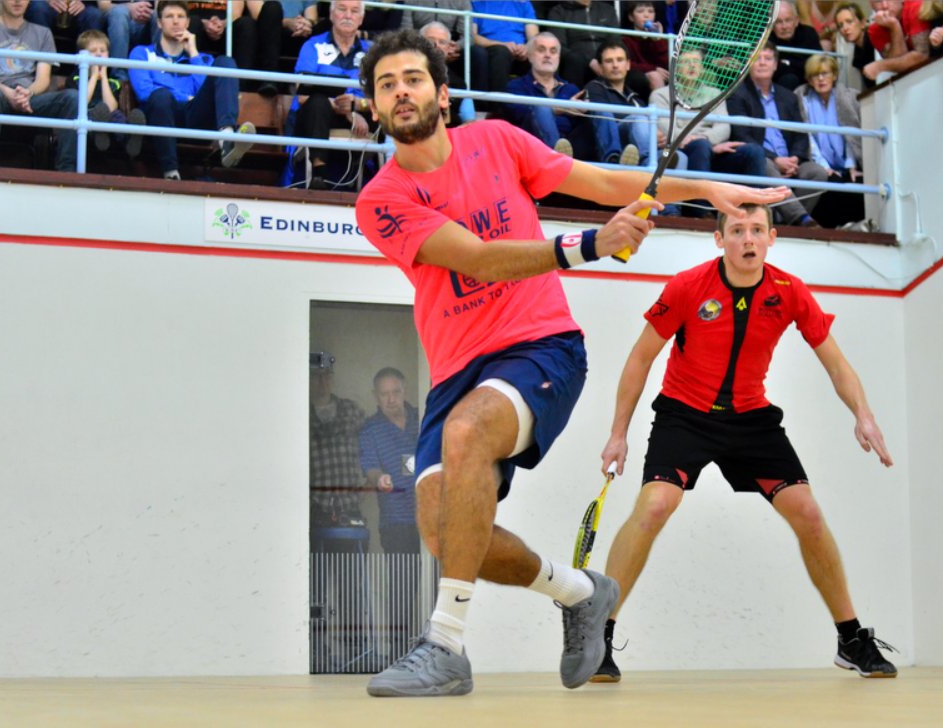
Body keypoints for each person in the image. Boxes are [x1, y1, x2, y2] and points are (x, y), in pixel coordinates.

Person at [352, 29, 789, 698]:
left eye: (412, 78)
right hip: (454, 372)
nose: (400, 91)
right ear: (375, 108)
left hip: (541, 346)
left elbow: (606, 181)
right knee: (445, 533)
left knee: (469, 435)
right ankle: (581, 591)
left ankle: (444, 646)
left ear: (442, 93)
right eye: (386, 85)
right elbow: (474, 255)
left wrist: (702, 187)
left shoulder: (496, 140)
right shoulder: (379, 201)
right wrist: (592, 242)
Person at [592, 202, 898, 683]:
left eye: (757, 230)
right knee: (653, 507)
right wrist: (618, 434)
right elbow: (640, 358)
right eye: (737, 230)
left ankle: (851, 638)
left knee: (809, 514)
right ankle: (598, 636)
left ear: (772, 238)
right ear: (720, 240)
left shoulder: (789, 291)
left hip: (751, 420)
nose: (748, 239)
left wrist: (864, 415)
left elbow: (836, 363)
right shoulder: (688, 286)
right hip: (684, 416)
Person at [128, 0, 254, 181]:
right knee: (161, 96)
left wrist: (194, 54)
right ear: (159, 23)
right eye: (169, 16)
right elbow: (144, 92)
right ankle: (171, 173)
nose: (175, 21)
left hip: (196, 117)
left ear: (188, 23)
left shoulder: (202, 59)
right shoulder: (142, 53)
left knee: (226, 63)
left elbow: (206, 92)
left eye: (180, 17)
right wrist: (184, 96)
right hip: (162, 116)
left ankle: (227, 139)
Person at [648, 49, 766, 219]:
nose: (692, 66)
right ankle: (701, 211)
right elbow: (668, 129)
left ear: (703, 68)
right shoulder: (660, 95)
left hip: (710, 148)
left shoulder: (714, 93)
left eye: (696, 62)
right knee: (699, 146)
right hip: (680, 151)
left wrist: (706, 139)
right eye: (686, 62)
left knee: (753, 152)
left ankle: (754, 211)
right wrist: (699, 139)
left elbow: (724, 127)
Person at [728, 41, 828, 228]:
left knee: (818, 173)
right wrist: (776, 160)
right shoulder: (738, 93)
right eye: (757, 58)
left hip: (790, 162)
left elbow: (800, 133)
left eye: (768, 58)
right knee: (765, 165)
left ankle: (782, 219)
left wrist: (795, 158)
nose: (763, 63)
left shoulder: (788, 96)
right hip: (762, 159)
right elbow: (742, 135)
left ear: (775, 64)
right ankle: (801, 219)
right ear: (749, 63)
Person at [359, 367, 422, 656]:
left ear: (405, 391)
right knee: (403, 585)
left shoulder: (424, 419)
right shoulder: (370, 430)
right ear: (376, 397)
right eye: (384, 394)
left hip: (433, 517)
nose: (391, 399)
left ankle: (434, 647)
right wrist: (379, 479)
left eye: (395, 392)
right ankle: (401, 651)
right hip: (396, 520)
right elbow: (370, 468)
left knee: (439, 581)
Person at [0, 0, 79, 172]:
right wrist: (7, 93)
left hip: (30, 98)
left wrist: (28, 93)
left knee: (73, 98)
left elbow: (43, 79)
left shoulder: (43, 32)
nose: (17, 1)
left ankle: (67, 172)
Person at [289, 0, 373, 190]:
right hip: (317, 116)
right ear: (332, 14)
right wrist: (345, 110)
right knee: (317, 101)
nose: (348, 16)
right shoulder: (313, 46)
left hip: (362, 116)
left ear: (361, 18)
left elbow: (384, 96)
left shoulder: (373, 52)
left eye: (354, 11)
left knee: (384, 110)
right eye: (342, 9)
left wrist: (358, 105)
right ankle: (319, 173)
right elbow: (302, 96)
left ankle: (375, 180)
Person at [795, 53, 865, 228]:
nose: (820, 79)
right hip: (820, 162)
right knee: (831, 186)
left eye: (825, 73)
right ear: (809, 80)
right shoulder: (803, 100)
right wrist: (823, 165)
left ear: (834, 75)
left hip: (847, 162)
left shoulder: (848, 97)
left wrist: (851, 165)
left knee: (856, 185)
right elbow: (808, 137)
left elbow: (851, 134)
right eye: (815, 75)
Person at [503, 31, 593, 159]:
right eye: (541, 50)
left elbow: (580, 126)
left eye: (553, 51)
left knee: (601, 113)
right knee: (541, 108)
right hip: (532, 149)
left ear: (558, 58)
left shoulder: (571, 89)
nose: (547, 55)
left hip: (571, 148)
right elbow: (520, 114)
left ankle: (613, 161)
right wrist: (562, 109)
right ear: (529, 56)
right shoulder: (515, 86)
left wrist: (584, 110)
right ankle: (557, 161)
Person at [310, 350, 368, 533]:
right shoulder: (300, 415)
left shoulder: (351, 410)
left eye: (327, 374)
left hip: (350, 507)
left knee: (350, 561)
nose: (322, 381)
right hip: (316, 508)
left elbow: (370, 447)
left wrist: (367, 486)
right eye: (316, 376)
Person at [72, 29, 146, 158]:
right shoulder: (76, 79)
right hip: (88, 113)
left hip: (110, 116)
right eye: (93, 51)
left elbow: (111, 107)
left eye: (102, 51)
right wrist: (94, 76)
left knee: (117, 117)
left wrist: (104, 77)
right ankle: (99, 134)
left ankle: (130, 137)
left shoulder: (113, 82)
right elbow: (81, 103)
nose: (99, 55)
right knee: (95, 113)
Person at [584, 41, 650, 166]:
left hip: (638, 148)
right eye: (609, 61)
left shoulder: (636, 99)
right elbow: (604, 119)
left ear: (628, 65)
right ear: (600, 67)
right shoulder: (593, 88)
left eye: (620, 60)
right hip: (607, 147)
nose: (615, 65)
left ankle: (655, 166)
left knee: (681, 157)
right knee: (639, 120)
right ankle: (649, 164)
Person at [469, 0, 537, 97]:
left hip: (520, 51)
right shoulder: (476, 3)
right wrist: (503, 45)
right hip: (491, 49)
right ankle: (498, 107)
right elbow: (472, 36)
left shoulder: (523, 3)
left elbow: (534, 37)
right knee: (501, 52)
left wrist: (526, 48)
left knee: (544, 52)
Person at [547, 0, 619, 88]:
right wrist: (589, 61)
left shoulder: (608, 10)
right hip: (576, 64)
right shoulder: (558, 11)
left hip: (605, 62)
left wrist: (606, 61)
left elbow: (616, 42)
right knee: (574, 59)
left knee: (635, 77)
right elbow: (558, 46)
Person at [419, 21, 476, 126]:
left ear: (449, 48)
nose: (436, 46)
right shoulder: (403, 74)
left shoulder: (460, 84)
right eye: (430, 41)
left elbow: (469, 122)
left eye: (442, 42)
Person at [863, 0, 931, 83]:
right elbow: (899, 67)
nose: (885, 6)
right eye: (878, 1)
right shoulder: (874, 30)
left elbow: (922, 56)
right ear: (871, 5)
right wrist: (894, 26)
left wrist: (881, 65)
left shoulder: (914, 6)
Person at [772, 0, 824, 91]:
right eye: (779, 22)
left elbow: (818, 64)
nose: (784, 26)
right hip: (778, 87)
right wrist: (800, 65)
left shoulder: (809, 33)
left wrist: (788, 63)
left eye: (788, 20)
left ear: (796, 21)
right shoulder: (767, 38)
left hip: (808, 83)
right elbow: (772, 69)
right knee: (789, 79)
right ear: (772, 25)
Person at [621, 1, 668, 102]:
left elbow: (666, 64)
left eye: (650, 11)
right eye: (640, 11)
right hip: (635, 76)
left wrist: (658, 40)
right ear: (631, 17)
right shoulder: (626, 39)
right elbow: (627, 63)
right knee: (655, 76)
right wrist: (653, 68)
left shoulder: (660, 39)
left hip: (659, 76)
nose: (646, 15)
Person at [99, 0, 153, 82]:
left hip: (147, 22)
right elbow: (103, 5)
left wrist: (146, 12)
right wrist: (129, 7)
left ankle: (160, 74)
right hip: (117, 21)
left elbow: (163, 6)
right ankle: (120, 79)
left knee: (160, 16)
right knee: (119, 13)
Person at [834, 2, 878, 90]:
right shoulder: (856, 55)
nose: (845, 28)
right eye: (840, 25)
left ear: (862, 23)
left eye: (849, 22)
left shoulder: (875, 40)